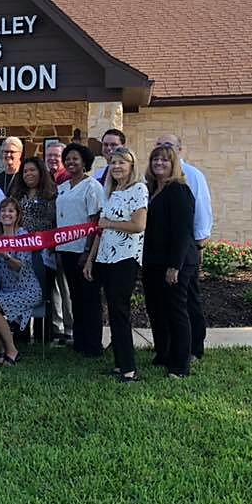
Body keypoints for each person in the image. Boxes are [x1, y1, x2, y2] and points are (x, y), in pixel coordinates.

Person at [83, 147, 147, 383]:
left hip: (125, 259)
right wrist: (90, 259)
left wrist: (108, 222)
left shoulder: (138, 190)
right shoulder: (111, 191)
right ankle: (120, 364)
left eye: (122, 162)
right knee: (112, 312)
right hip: (105, 258)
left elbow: (138, 225)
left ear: (131, 166)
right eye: (113, 162)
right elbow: (101, 230)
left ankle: (129, 369)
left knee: (120, 313)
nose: (117, 166)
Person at [156, 133, 213, 362]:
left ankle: (194, 349)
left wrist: (199, 242)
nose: (162, 151)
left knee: (188, 301)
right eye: (158, 146)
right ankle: (172, 348)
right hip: (163, 252)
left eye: (168, 146)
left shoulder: (191, 176)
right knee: (169, 302)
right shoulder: (155, 180)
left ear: (180, 150)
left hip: (185, 251)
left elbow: (201, 210)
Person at [143, 144, 196, 378]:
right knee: (156, 310)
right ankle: (163, 352)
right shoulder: (151, 189)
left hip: (175, 262)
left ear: (173, 164)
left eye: (164, 160)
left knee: (175, 311)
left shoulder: (179, 191)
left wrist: (174, 266)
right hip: (152, 261)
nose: (159, 164)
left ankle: (180, 364)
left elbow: (182, 231)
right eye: (155, 160)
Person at [55, 142, 104, 356]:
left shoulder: (92, 186)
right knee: (75, 296)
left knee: (89, 298)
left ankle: (93, 345)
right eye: (67, 159)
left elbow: (95, 219)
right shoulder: (63, 187)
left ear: (85, 162)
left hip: (84, 251)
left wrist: (88, 252)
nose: (70, 162)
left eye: (75, 158)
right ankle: (80, 342)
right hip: (65, 248)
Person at [9, 156, 57, 341]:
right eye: (25, 171)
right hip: (21, 253)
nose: (29, 174)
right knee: (22, 290)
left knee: (43, 293)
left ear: (40, 172)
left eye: (33, 170)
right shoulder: (17, 196)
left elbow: (55, 222)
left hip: (44, 252)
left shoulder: (51, 195)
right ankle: (21, 335)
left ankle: (43, 337)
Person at [0, 199, 43, 365]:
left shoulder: (23, 237)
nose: (7, 214)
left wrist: (4, 255)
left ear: (17, 216)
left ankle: (12, 350)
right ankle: (1, 349)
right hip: (7, 290)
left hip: (27, 290)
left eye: (11, 211)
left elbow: (20, 267)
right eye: (3, 211)